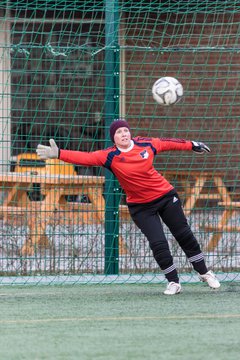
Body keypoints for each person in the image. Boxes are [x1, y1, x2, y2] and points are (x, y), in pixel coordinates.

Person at [36, 119, 220, 295]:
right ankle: (173, 282)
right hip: (141, 207)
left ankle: (204, 273)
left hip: (165, 197)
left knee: (183, 234)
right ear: (113, 138)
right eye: (118, 132)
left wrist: (192, 144)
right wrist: (59, 153)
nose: (123, 134)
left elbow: (169, 143)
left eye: (125, 130)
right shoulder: (109, 155)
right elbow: (86, 158)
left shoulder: (146, 144)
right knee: (158, 243)